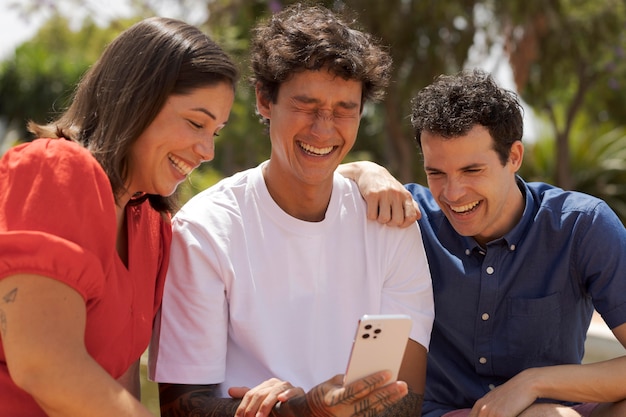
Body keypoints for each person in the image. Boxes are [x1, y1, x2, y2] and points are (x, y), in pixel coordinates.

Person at [149, 3, 434, 417]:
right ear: (265, 100)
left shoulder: (391, 225)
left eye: (343, 110)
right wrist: (302, 410)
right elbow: (180, 408)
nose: (323, 128)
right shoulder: (205, 229)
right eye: (306, 105)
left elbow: (405, 399)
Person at [341, 68, 626, 417]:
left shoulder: (582, 226)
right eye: (437, 173)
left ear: (515, 158)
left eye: (472, 171)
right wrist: (365, 170)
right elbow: (309, 182)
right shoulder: (409, 220)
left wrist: (532, 383)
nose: (453, 193)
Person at [0, 16, 239, 417]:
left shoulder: (151, 228)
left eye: (215, 132)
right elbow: (43, 365)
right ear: (136, 99)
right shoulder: (56, 169)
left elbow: (117, 383)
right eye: (196, 123)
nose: (206, 150)